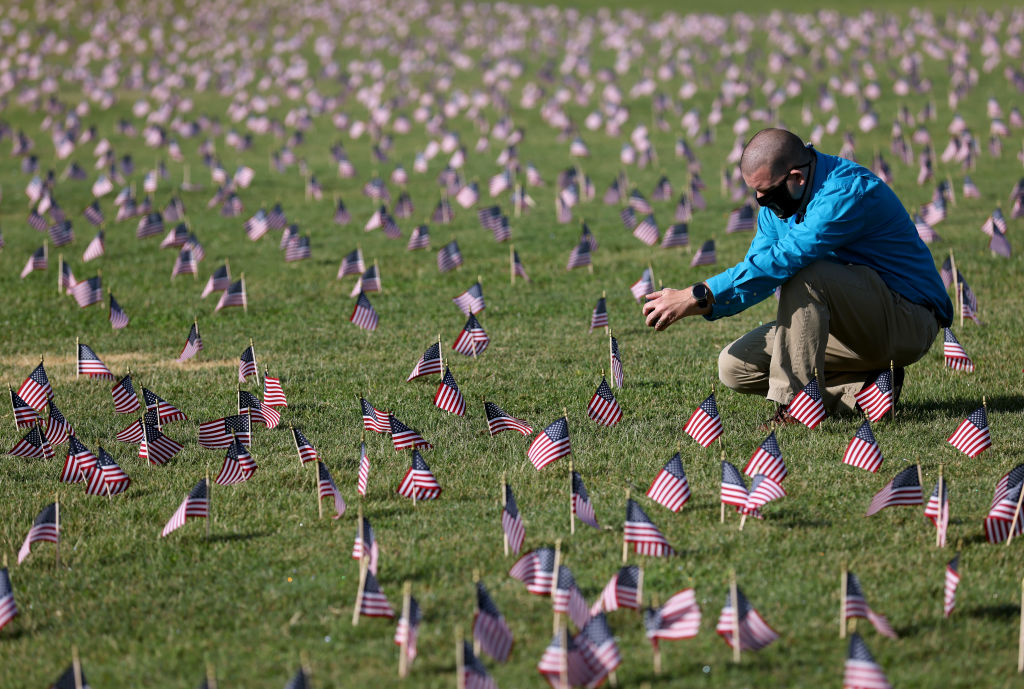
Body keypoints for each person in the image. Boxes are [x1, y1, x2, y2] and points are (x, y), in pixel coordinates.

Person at [642, 128, 952, 425]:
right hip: (851, 327)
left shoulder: (844, 191)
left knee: (807, 274)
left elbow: (786, 259)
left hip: (906, 319)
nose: (762, 202)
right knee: (734, 366)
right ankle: (865, 391)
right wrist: (703, 303)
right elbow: (758, 268)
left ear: (797, 177)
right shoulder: (779, 206)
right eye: (756, 194)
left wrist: (699, 293)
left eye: (767, 193)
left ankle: (796, 407)